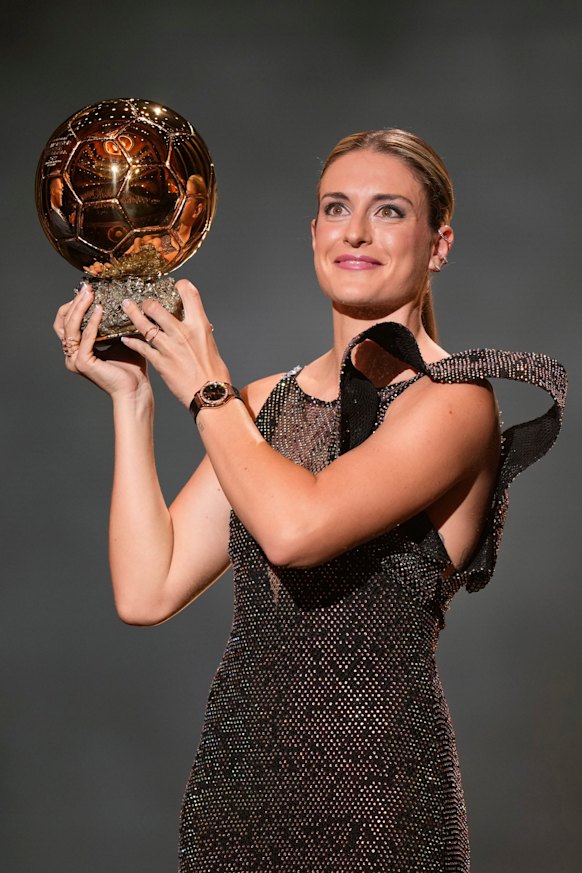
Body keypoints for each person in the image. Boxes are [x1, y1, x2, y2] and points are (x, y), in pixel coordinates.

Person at [53, 129, 566, 872]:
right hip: (238, 799)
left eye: (389, 211)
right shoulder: (254, 404)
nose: (355, 230)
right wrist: (133, 402)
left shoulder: (454, 401)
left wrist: (205, 387)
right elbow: (146, 587)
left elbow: (297, 528)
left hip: (380, 807)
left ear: (438, 245)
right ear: (315, 234)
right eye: (336, 208)